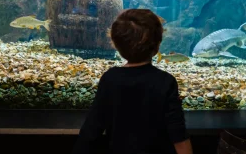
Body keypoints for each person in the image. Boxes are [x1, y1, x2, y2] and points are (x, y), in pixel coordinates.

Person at [71, 9, 193, 154]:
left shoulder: (109, 78)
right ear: (157, 46)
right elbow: (178, 133)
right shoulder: (166, 81)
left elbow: (91, 130)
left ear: (115, 44)